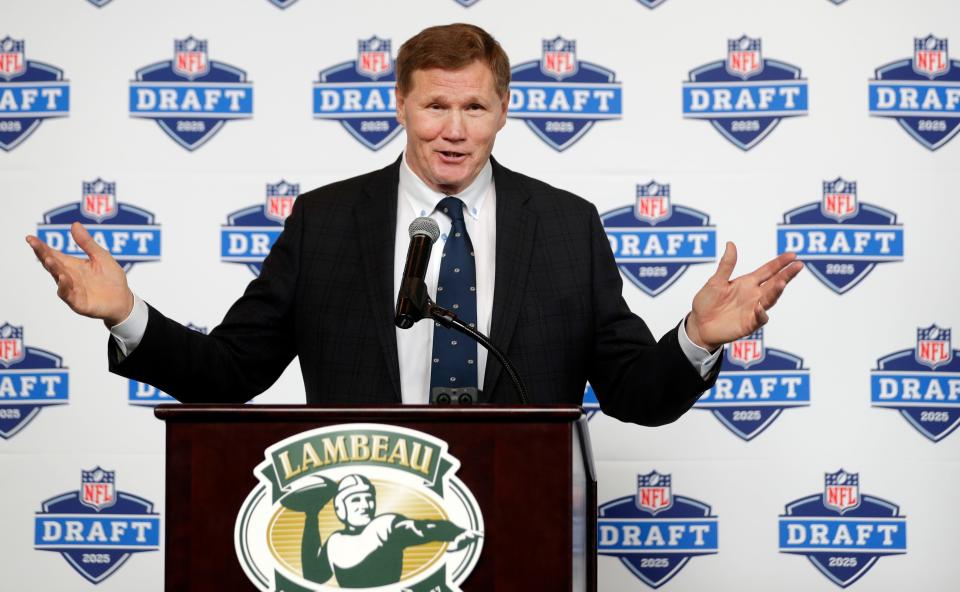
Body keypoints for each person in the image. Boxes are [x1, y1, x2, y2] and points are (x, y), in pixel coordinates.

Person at [25, 23, 802, 423]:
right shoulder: (326, 221)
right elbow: (231, 372)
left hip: (516, 517)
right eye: (436, 105)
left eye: (474, 107)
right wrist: (128, 316)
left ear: (504, 110)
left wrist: (695, 339)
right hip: (360, 518)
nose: (454, 130)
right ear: (401, 106)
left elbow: (636, 394)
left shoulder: (566, 225)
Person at [282, 474, 480, 587]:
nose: (365, 505)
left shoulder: (385, 526)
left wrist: (455, 532)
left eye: (369, 498)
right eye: (356, 499)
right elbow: (313, 576)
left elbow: (423, 528)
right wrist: (311, 514)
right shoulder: (335, 542)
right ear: (340, 509)